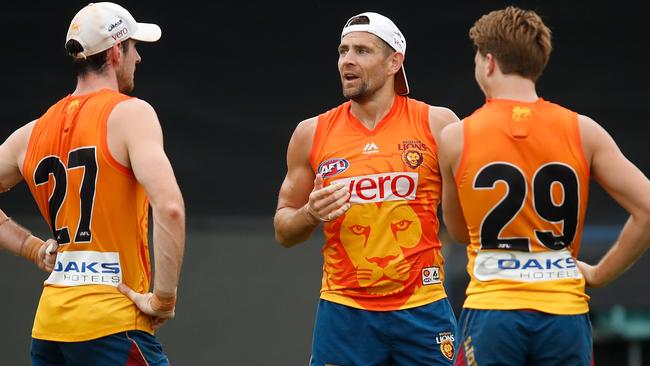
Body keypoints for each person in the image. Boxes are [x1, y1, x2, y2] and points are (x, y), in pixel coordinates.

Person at [438, 6, 650, 366]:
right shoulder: (583, 130)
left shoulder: (456, 137)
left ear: (489, 62)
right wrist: (599, 274)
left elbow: (458, 231)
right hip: (563, 311)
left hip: (493, 310)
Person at [0, 2, 185, 365]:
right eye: (134, 47)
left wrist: (32, 247)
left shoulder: (32, 132)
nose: (139, 59)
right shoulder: (131, 113)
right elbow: (170, 208)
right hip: (111, 324)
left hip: (49, 329)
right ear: (117, 51)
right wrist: (163, 299)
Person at [274, 12, 459, 365]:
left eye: (362, 51)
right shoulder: (311, 132)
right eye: (343, 51)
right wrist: (311, 213)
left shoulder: (438, 123)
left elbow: (471, 211)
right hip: (345, 311)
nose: (347, 60)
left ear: (394, 62)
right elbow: (283, 231)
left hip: (422, 307)